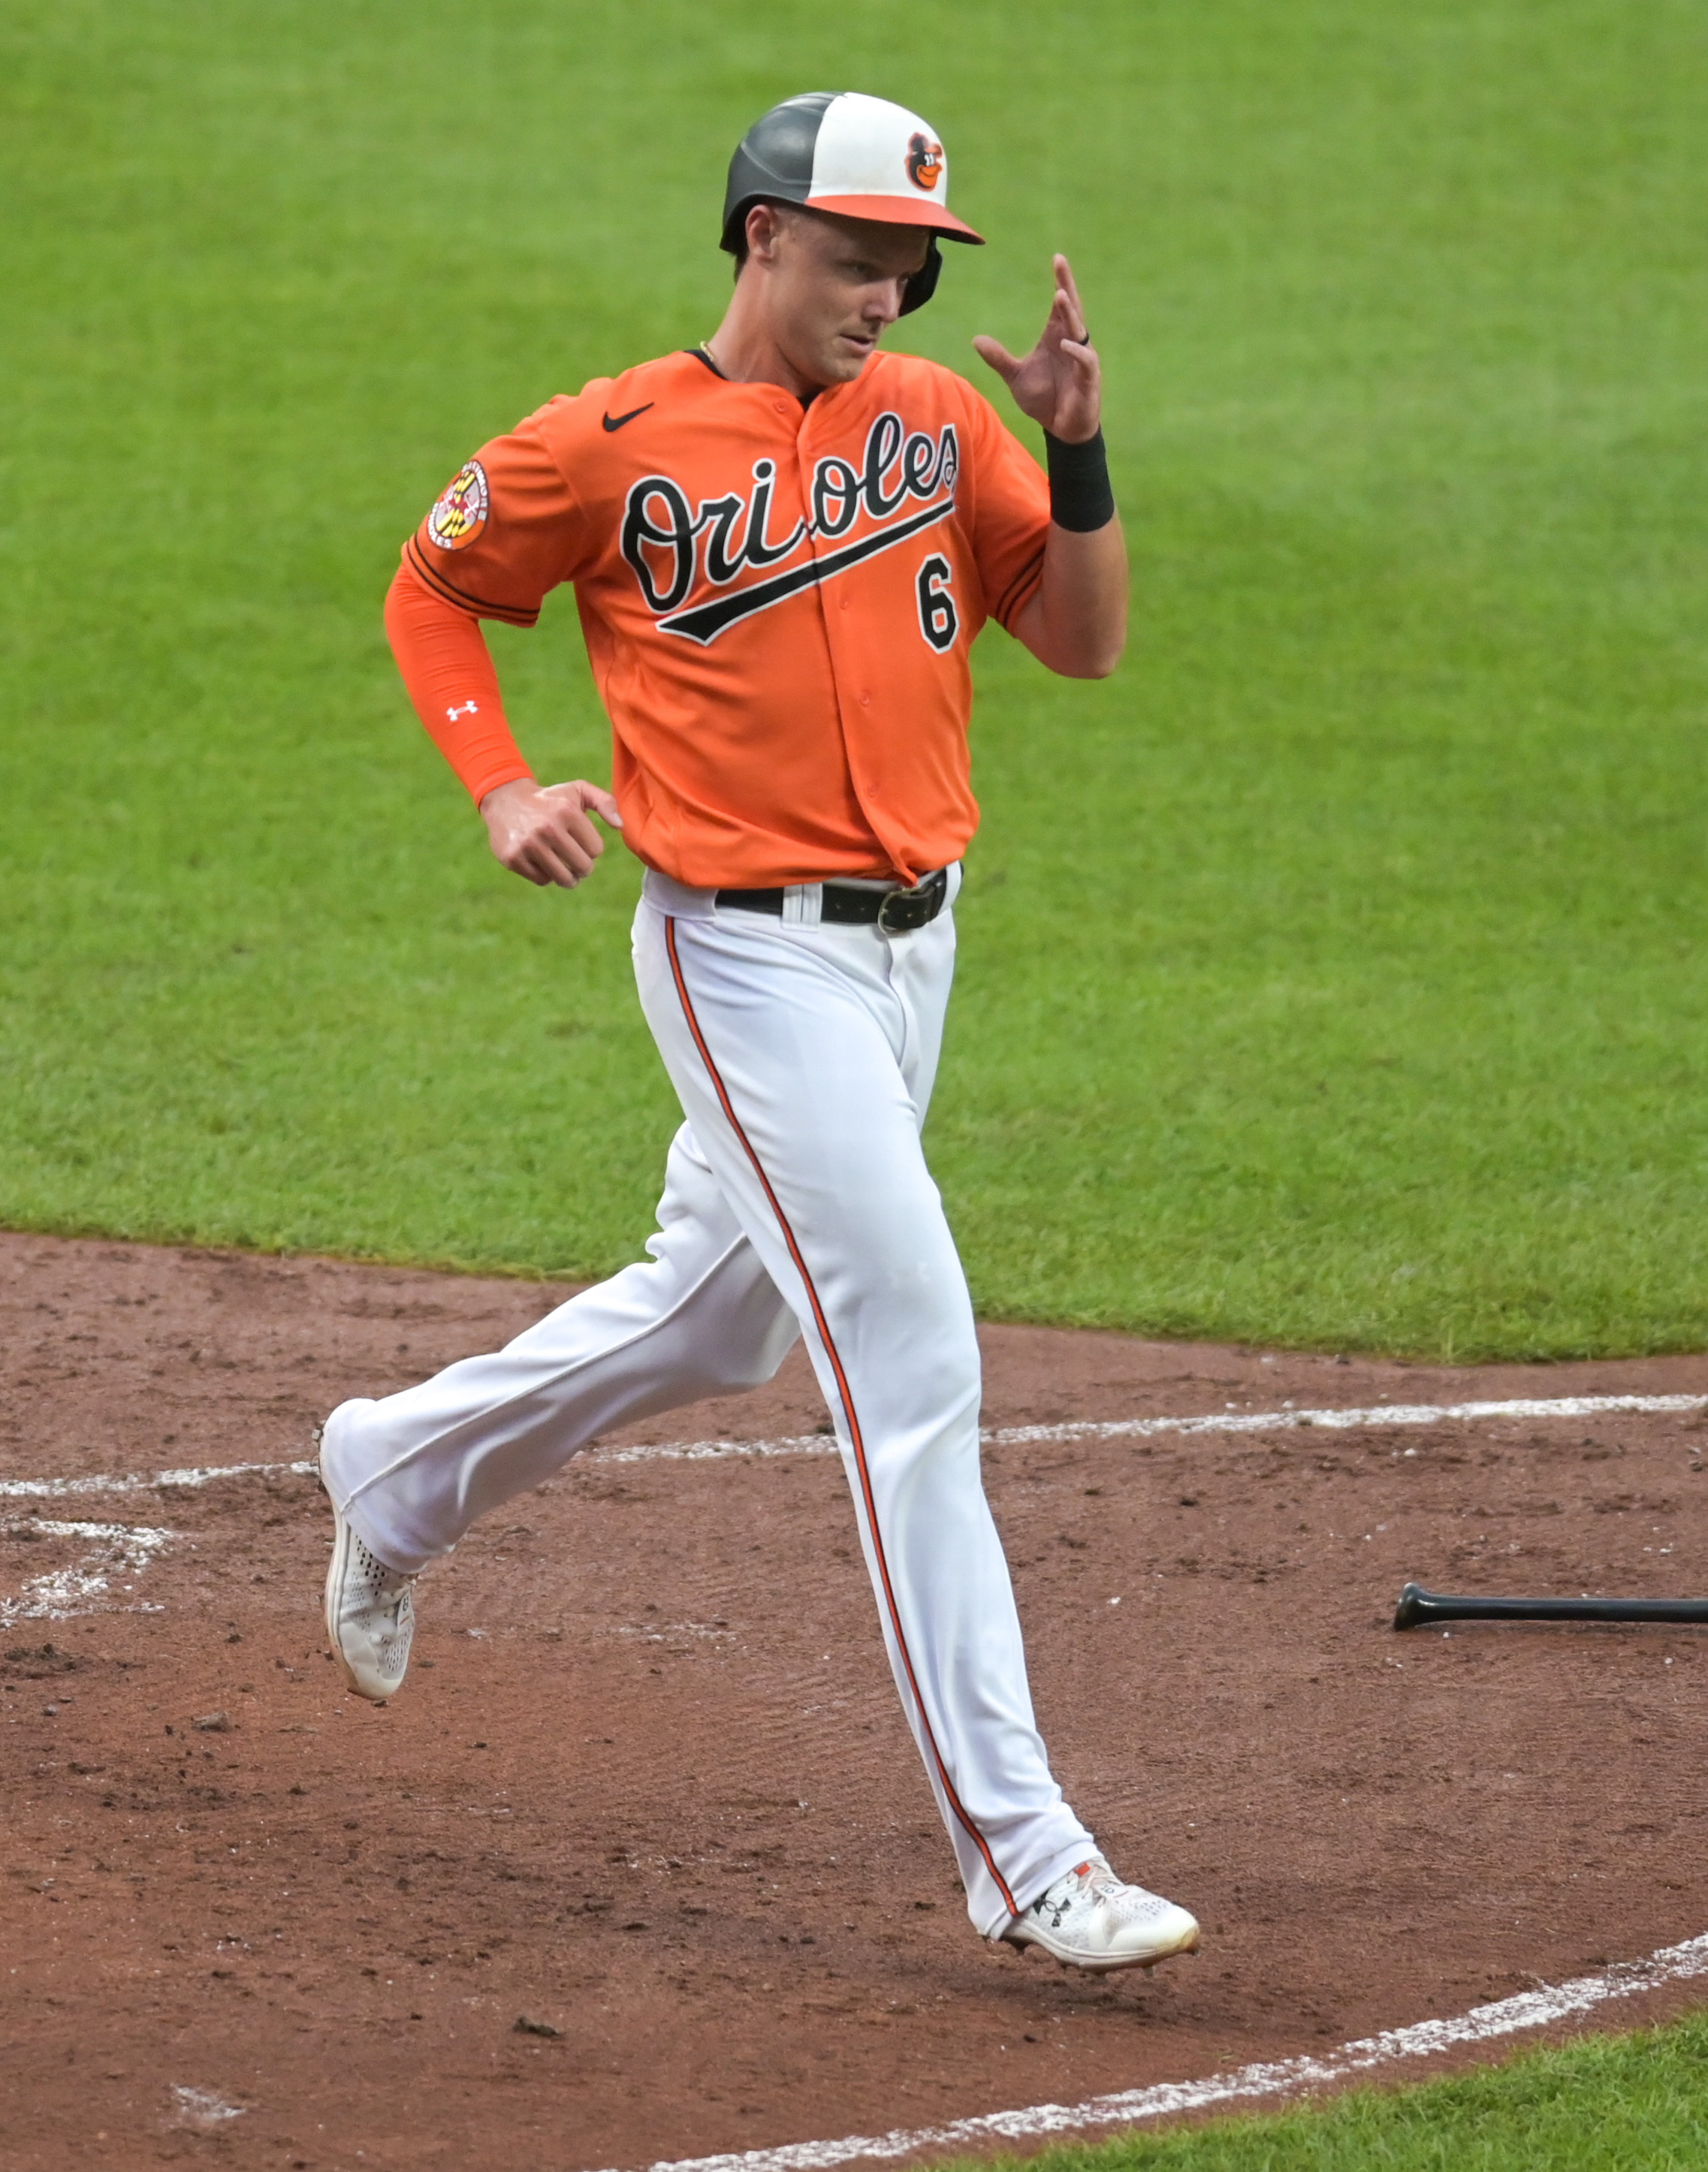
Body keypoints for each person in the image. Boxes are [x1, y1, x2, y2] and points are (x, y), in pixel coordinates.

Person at [313, 90, 1199, 1974]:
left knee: (722, 1318)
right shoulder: (609, 442)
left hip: (915, 950)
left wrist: (1085, 448)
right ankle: (1026, 1854)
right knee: (915, 1366)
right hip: (746, 964)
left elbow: (1087, 641)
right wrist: (494, 787)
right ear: (761, 238)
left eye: (912, 264)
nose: (888, 290)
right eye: (860, 254)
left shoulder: (938, 423)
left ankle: (395, 1472)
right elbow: (433, 588)